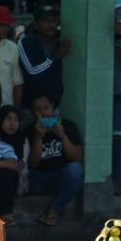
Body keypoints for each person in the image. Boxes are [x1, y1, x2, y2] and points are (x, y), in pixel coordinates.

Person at [26, 93, 83, 226]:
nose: (43, 113)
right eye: (38, 110)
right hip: (39, 179)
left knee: (76, 169)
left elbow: (77, 158)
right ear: (33, 112)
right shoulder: (29, 130)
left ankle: (55, 209)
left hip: (61, 178)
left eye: (46, 108)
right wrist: (38, 137)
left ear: (52, 106)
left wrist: (62, 135)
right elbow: (33, 163)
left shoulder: (68, 126)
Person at [18, 3, 70, 108]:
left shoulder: (59, 41)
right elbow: (32, 72)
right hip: (32, 107)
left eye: (54, 21)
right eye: (46, 21)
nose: (51, 25)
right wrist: (56, 56)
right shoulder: (27, 42)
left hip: (54, 105)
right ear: (36, 25)